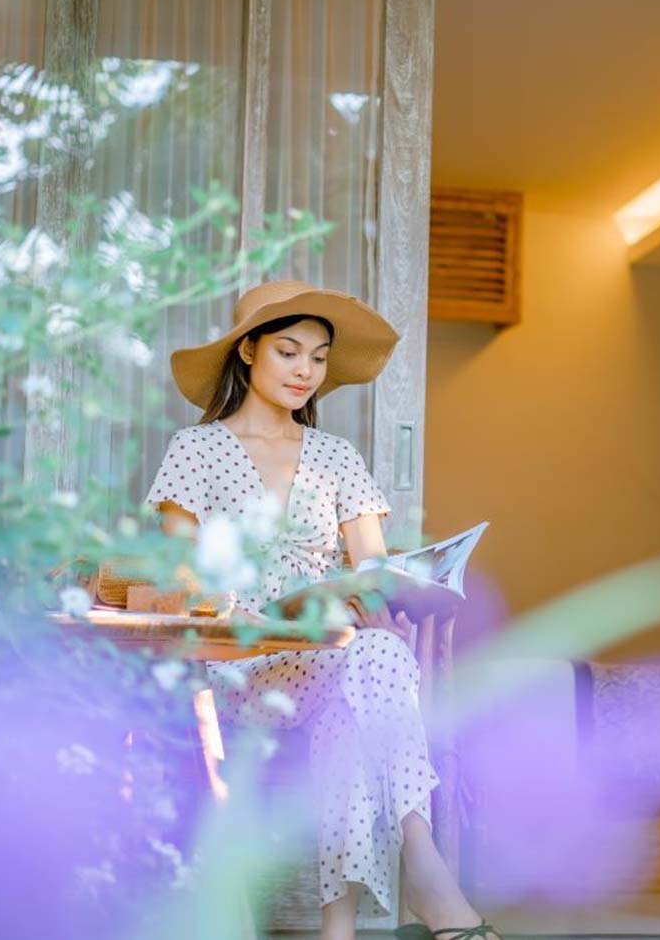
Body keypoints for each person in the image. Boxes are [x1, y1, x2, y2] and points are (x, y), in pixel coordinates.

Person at [144, 280, 498, 940]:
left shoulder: (338, 458)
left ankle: (362, 909)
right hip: (233, 661)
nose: (306, 370)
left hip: (323, 660)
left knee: (373, 659)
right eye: (289, 351)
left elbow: (370, 571)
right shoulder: (194, 451)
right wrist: (270, 606)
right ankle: (415, 881)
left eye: (319, 357)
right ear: (248, 351)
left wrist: (388, 590)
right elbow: (180, 583)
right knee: (368, 668)